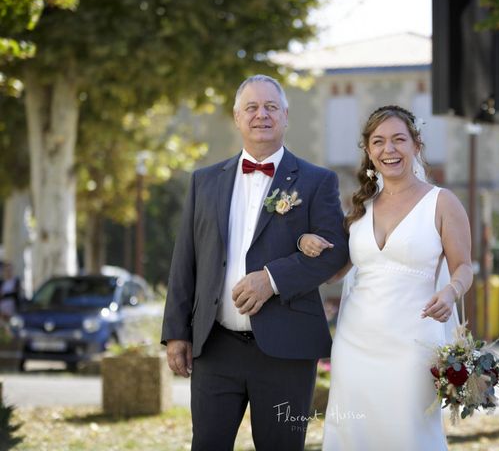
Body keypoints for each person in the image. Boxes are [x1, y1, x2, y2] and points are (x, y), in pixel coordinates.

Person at [161, 74, 349, 451]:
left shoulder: (317, 181)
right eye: (251, 107)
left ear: (286, 116)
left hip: (287, 352)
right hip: (215, 348)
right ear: (236, 117)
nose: (260, 115)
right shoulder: (204, 181)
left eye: (270, 107)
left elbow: (336, 254)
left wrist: (272, 279)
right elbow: (186, 260)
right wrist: (176, 332)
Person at [299, 105, 473, 450]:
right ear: (368, 151)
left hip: (414, 344)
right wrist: (306, 243)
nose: (388, 150)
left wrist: (451, 291)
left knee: (407, 433)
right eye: (378, 142)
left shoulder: (441, 202)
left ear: (416, 146)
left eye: (398, 140)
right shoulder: (360, 208)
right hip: (355, 343)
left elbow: (464, 266)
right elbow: (334, 271)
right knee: (353, 434)